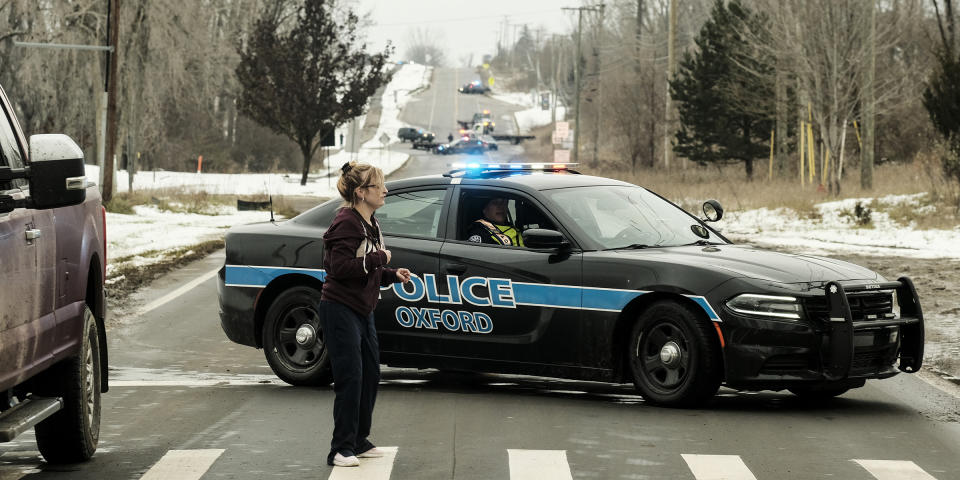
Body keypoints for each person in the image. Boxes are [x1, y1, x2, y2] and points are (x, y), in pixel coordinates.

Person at [320, 161, 412, 468]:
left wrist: (390, 273)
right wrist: (379, 257)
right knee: (351, 377)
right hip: (340, 308)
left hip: (362, 309)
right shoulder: (346, 223)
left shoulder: (369, 222)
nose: (385, 190)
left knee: (371, 374)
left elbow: (365, 269)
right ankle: (340, 448)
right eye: (378, 186)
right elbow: (339, 269)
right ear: (361, 192)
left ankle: (358, 440)